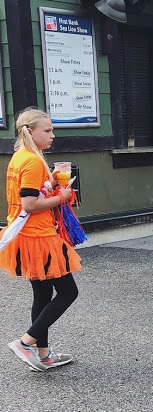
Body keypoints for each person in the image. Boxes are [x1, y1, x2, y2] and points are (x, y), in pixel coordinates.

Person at [0, 107, 80, 371]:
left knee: (43, 293)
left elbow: (29, 193)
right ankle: (26, 343)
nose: (52, 135)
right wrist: (62, 197)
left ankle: (43, 355)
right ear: (31, 132)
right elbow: (30, 204)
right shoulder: (33, 161)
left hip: (24, 236)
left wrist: (51, 182)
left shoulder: (19, 157)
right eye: (47, 130)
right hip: (40, 236)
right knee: (68, 292)